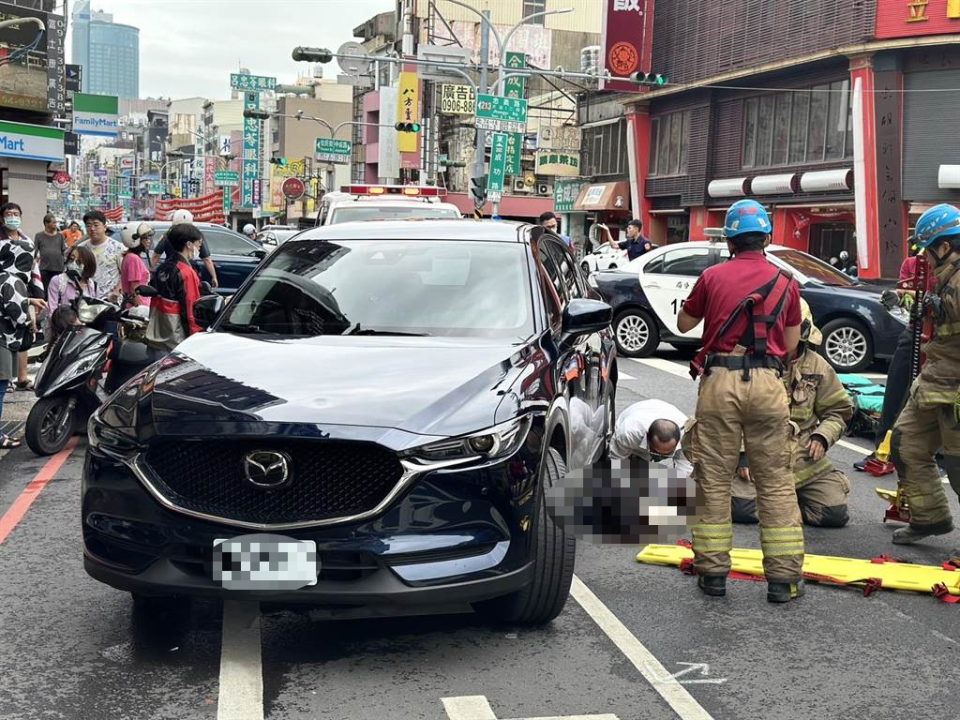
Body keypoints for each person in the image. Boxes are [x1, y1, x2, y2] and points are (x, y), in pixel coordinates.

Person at [677, 199, 805, 603]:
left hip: (719, 382)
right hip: (768, 384)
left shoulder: (712, 276)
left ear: (730, 240)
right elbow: (791, 343)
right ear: (766, 237)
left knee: (713, 480)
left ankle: (712, 575)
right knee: (777, 483)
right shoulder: (786, 281)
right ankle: (783, 582)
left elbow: (684, 324)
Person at [732, 299, 854, 528]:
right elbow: (730, 414)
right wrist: (741, 455)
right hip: (756, 457)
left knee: (833, 514)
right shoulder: (747, 363)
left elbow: (838, 412)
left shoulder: (818, 367)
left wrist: (822, 436)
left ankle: (788, 499)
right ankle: (776, 500)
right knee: (742, 509)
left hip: (803, 462)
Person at [888, 204, 960, 555]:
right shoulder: (948, 276)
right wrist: (922, 306)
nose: (926, 260)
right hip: (935, 381)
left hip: (955, 391)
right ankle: (930, 517)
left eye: (928, 251)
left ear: (943, 247)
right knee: (906, 445)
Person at [854, 245, 939, 472]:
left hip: (947, 339)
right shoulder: (912, 264)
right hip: (915, 331)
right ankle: (883, 450)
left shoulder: (953, 271)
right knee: (895, 391)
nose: (926, 254)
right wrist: (900, 298)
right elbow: (907, 294)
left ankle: (937, 457)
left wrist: (920, 299)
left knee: (940, 398)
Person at [0, 202, 47, 448]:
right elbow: (11, 301)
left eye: (16, 214)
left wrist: (29, 300)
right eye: (8, 214)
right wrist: (27, 305)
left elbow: (32, 278)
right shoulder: (6, 277)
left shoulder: (27, 242)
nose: (13, 218)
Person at [146, 222, 204, 351]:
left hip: (158, 334)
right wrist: (195, 339)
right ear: (189, 244)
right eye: (198, 243)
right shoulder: (186, 273)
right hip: (176, 339)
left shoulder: (163, 267)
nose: (200, 247)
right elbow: (190, 310)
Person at [609, 399, 693, 476]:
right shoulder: (628, 433)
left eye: (667, 453)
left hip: (664, 411)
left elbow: (685, 467)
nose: (661, 456)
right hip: (637, 415)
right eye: (656, 451)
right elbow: (617, 461)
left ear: (678, 441)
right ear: (647, 435)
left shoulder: (688, 438)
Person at [151, 210, 219, 288]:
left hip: (169, 271)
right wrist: (214, 277)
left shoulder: (168, 235)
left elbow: (156, 255)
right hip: (189, 270)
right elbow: (206, 259)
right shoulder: (196, 236)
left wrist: (149, 271)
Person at [75, 210, 124, 302]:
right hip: (86, 301)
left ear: (104, 227)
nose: (92, 228)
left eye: (96, 225)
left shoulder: (118, 248)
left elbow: (125, 274)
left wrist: (117, 292)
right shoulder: (81, 248)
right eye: (88, 225)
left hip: (110, 300)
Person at [47, 246, 102, 312]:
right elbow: (52, 311)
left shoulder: (94, 286)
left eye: (79, 262)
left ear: (88, 265)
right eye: (71, 259)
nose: (73, 264)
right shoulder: (58, 281)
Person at [119, 223, 154, 309]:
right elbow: (133, 290)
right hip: (138, 308)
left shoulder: (130, 257)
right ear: (135, 240)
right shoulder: (133, 259)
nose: (149, 241)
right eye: (145, 238)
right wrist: (139, 310)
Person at [34, 213, 67, 296]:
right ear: (46, 223)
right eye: (53, 223)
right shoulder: (39, 236)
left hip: (58, 268)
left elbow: (64, 251)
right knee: (45, 290)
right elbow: (35, 251)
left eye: (55, 223)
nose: (55, 225)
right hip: (45, 268)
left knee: (58, 291)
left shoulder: (60, 236)